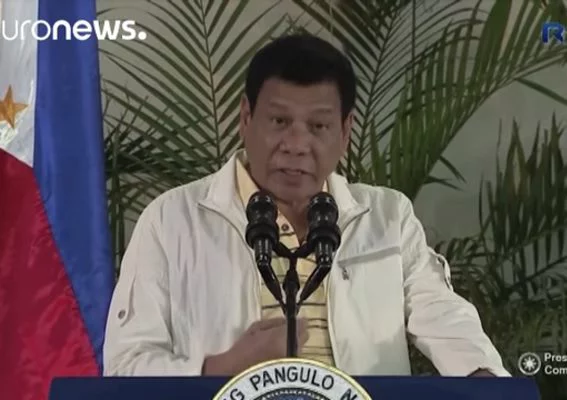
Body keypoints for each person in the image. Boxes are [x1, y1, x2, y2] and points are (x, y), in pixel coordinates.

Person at [103, 33, 510, 377]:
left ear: (345, 131)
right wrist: (220, 368)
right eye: (279, 122)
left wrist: (483, 377)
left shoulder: (388, 216)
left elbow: (442, 314)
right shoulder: (171, 219)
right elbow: (125, 365)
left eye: (318, 126)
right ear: (245, 117)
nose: (297, 145)